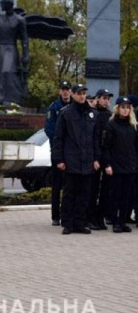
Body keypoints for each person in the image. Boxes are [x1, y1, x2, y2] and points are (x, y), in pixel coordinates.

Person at [51, 83, 101, 235]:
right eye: (79, 93)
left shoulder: (93, 114)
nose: (82, 96)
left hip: (87, 161)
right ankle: (68, 223)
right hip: (71, 160)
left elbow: (96, 139)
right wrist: (59, 159)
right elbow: (58, 138)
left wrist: (97, 159)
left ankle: (80, 223)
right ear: (73, 94)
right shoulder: (65, 113)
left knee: (84, 194)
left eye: (84, 93)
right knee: (69, 194)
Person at [101, 97, 138, 233]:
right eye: (123, 107)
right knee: (115, 196)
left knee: (126, 197)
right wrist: (108, 164)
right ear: (117, 108)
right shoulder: (111, 125)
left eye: (128, 107)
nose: (125, 110)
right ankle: (115, 222)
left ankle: (123, 222)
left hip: (130, 167)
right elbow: (106, 147)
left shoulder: (132, 126)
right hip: (116, 167)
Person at [44, 82, 71, 226]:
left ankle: (68, 213)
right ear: (60, 91)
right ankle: (56, 216)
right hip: (57, 152)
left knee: (70, 185)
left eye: (68, 90)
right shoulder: (54, 107)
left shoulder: (74, 106)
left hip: (71, 153)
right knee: (57, 185)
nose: (66, 92)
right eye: (63, 90)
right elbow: (49, 130)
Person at [87, 88, 113, 230]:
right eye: (104, 98)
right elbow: (94, 138)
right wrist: (95, 158)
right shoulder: (93, 114)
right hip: (96, 156)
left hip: (107, 156)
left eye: (108, 99)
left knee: (106, 190)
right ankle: (90, 218)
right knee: (93, 188)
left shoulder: (110, 116)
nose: (106, 101)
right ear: (97, 99)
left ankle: (100, 217)